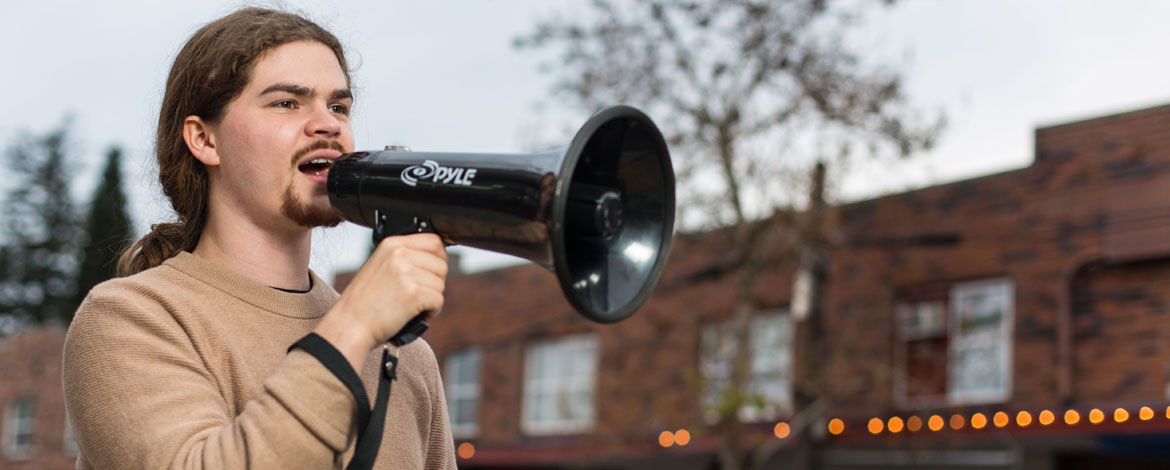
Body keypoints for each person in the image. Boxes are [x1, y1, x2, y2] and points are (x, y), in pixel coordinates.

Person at [62, 8, 455, 469]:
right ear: (205, 140)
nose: (328, 124)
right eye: (287, 102)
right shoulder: (130, 319)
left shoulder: (409, 358)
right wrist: (354, 326)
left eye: (339, 107)